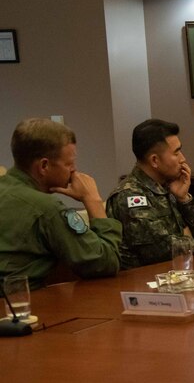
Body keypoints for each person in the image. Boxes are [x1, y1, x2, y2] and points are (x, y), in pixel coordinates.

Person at [0, 118, 120, 289]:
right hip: (24, 308)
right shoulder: (46, 207)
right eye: (69, 163)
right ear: (44, 166)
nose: (74, 170)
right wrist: (93, 200)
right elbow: (104, 263)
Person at [106, 119, 194, 270]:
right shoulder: (130, 196)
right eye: (176, 152)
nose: (183, 159)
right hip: (143, 285)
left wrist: (183, 199)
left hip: (175, 277)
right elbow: (161, 252)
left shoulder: (168, 186)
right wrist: (187, 237)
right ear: (155, 160)